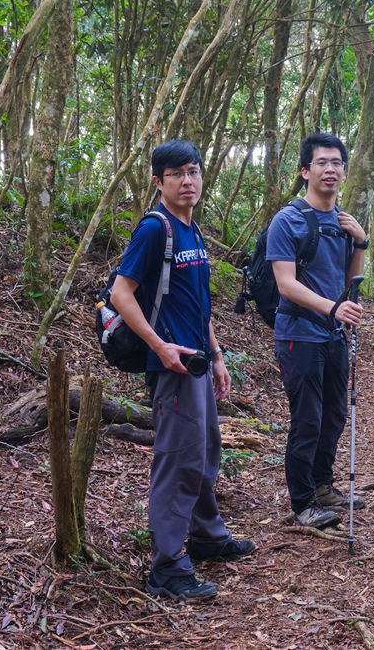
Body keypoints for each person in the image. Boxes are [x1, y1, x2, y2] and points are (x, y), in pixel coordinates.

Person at [110, 139, 254, 601]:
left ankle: (208, 536)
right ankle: (168, 569)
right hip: (171, 366)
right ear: (159, 181)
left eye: (192, 171)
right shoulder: (156, 229)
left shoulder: (192, 229)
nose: (187, 180)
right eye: (176, 174)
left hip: (196, 362)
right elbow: (120, 293)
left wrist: (216, 356)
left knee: (206, 449)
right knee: (177, 461)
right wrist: (161, 346)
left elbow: (198, 304)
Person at [266, 133, 368, 529]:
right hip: (299, 334)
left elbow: (350, 279)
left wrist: (361, 241)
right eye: (322, 163)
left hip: (333, 335)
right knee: (306, 419)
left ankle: (324, 485)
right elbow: (285, 284)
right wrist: (332, 308)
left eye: (337, 162)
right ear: (305, 171)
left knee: (335, 414)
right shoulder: (288, 220)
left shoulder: (343, 221)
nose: (331, 169)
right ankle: (303, 502)